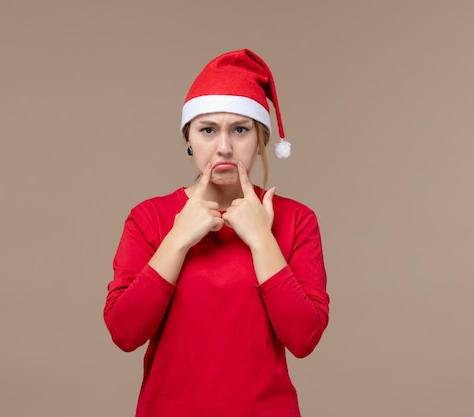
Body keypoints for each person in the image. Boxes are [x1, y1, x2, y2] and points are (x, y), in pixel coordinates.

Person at [103, 49, 330, 417]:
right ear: (188, 138)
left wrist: (261, 239)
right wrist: (177, 240)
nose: (223, 146)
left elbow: (304, 338)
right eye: (208, 130)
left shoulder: (296, 219)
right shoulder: (149, 218)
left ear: (259, 139)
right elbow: (124, 332)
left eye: (240, 130)